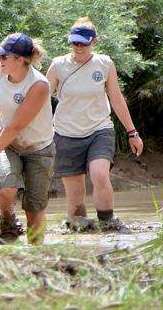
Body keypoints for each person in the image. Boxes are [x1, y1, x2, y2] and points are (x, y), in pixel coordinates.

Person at [46, 17, 143, 234]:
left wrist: (132, 132)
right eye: (74, 43)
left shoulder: (105, 64)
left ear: (94, 43)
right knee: (75, 199)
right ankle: (79, 229)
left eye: (83, 43)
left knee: (99, 174)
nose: (78, 47)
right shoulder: (58, 65)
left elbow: (116, 99)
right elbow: (41, 101)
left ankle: (108, 223)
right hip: (65, 133)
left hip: (99, 129)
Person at [0, 33, 54, 245]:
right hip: (7, 144)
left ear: (20, 60)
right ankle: (7, 220)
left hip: (38, 148)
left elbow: (16, 126)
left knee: (34, 210)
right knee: (5, 188)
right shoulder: (1, 69)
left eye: (4, 57)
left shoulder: (39, 85)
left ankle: (36, 256)